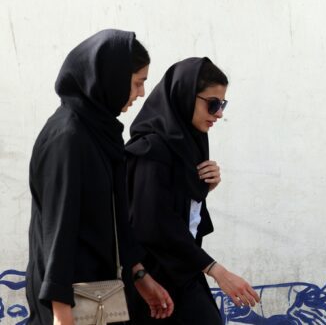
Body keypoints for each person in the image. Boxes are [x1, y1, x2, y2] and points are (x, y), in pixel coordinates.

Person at [26, 29, 174, 325]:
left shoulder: (101, 133)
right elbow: (59, 230)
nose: (141, 93)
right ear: (112, 77)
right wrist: (61, 314)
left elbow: (117, 217)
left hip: (100, 296)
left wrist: (139, 275)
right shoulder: (68, 137)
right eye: (137, 82)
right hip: (68, 303)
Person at [125, 57, 259, 324]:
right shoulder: (151, 150)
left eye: (222, 105)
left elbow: (178, 212)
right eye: (213, 104)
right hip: (152, 282)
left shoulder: (187, 145)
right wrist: (216, 270)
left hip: (180, 272)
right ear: (185, 96)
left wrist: (202, 188)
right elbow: (152, 222)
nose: (219, 114)